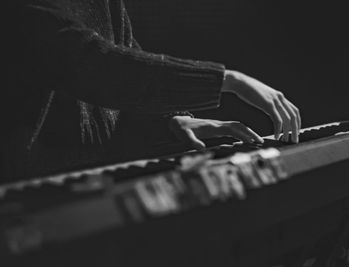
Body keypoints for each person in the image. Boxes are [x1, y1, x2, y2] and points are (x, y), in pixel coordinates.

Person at [2, 0, 300, 180]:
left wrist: (169, 119)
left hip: (91, 181)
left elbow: (124, 71)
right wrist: (227, 80)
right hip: (24, 195)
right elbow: (92, 63)